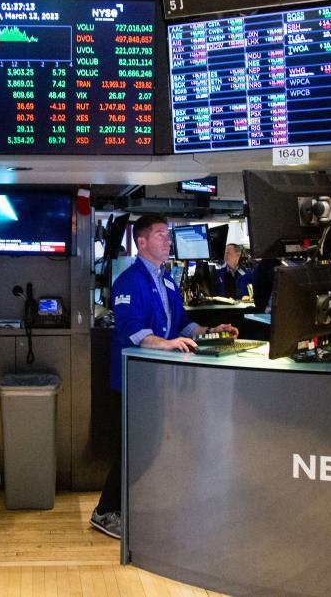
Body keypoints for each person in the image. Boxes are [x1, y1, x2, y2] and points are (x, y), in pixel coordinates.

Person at [90, 215, 238, 539]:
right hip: (134, 380)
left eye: (167, 235)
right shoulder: (129, 282)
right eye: (160, 235)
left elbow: (183, 324)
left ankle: (129, 505)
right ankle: (105, 511)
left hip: (158, 379)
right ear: (141, 242)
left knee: (150, 445)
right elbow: (131, 330)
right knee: (133, 447)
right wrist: (166, 343)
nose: (168, 240)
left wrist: (210, 331)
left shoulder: (167, 280)